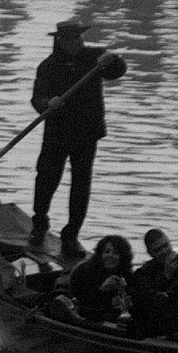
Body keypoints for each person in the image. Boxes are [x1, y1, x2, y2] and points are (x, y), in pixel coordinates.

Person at [29, 19, 125, 261]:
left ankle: (71, 236)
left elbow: (118, 71)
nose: (79, 43)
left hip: (86, 133)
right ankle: (40, 222)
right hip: (57, 132)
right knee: (47, 177)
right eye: (74, 39)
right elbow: (38, 98)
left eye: (80, 39)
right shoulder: (48, 67)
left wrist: (114, 60)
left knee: (81, 184)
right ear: (61, 41)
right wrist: (47, 104)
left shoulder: (95, 59)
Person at [56, 234, 135, 329]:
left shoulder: (125, 273)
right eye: (107, 252)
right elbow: (82, 299)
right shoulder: (86, 271)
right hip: (84, 308)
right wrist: (102, 290)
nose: (110, 256)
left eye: (116, 253)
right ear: (100, 254)